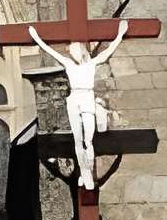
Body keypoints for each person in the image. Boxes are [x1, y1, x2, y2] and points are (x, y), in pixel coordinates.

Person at [27, 20, 128, 189]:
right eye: (71, 51)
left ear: (81, 51)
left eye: (75, 50)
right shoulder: (68, 63)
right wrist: (36, 38)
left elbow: (108, 52)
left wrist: (120, 35)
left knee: (89, 140)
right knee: (78, 140)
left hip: (87, 97)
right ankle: (84, 173)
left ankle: (88, 172)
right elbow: (49, 51)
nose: (72, 53)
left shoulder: (91, 64)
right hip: (74, 99)